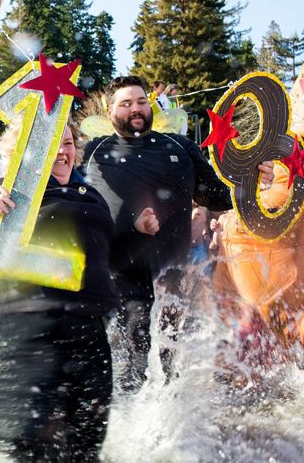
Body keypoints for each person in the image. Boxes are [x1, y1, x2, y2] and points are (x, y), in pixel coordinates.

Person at [0, 121, 157, 460]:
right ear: (25, 151)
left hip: (86, 335)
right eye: (51, 144)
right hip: (19, 335)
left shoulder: (90, 196)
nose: (63, 152)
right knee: (30, 446)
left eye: (67, 143)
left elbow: (106, 261)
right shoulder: (5, 191)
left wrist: (138, 234)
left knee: (85, 445)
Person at [80, 76, 274, 390]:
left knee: (174, 352)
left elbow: (217, 196)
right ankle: (129, 417)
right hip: (124, 269)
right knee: (135, 343)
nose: (136, 109)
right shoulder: (95, 152)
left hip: (175, 267)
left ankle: (174, 415)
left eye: (141, 101)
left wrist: (254, 179)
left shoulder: (180, 146)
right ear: (109, 110)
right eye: (126, 103)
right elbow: (83, 202)